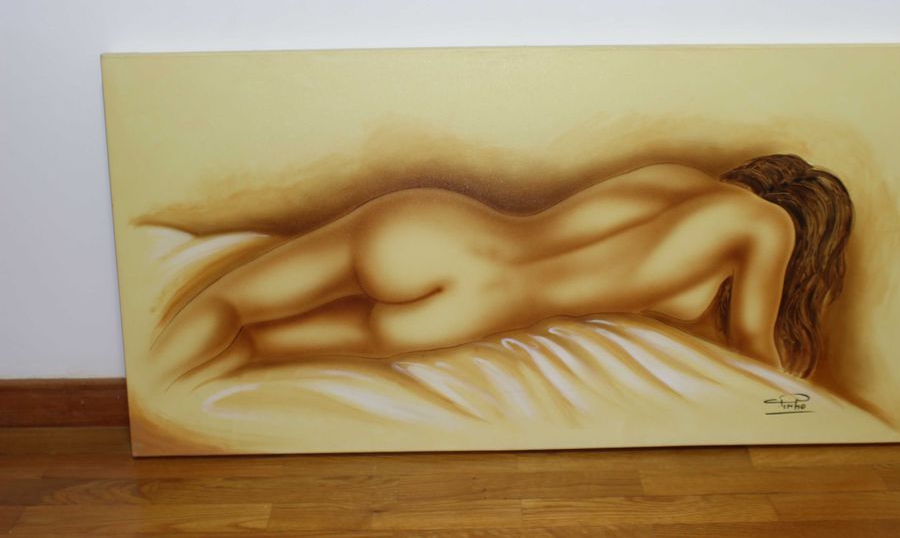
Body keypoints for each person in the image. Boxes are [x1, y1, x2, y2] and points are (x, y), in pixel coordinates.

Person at [151, 154, 852, 386]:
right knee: (257, 346)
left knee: (231, 305)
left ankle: (152, 383)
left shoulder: (673, 179)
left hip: (438, 228)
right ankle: (167, 393)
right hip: (474, 307)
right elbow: (753, 352)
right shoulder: (767, 227)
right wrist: (798, 406)